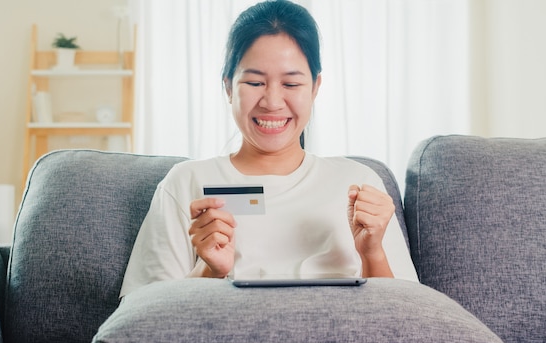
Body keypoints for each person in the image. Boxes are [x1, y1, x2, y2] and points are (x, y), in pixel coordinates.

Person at [120, 0, 417, 298]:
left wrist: (372, 252)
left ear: (315, 88)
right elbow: (139, 318)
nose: (272, 102)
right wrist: (210, 270)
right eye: (255, 82)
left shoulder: (358, 182)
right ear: (228, 87)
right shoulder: (186, 182)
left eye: (290, 84)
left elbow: (413, 317)